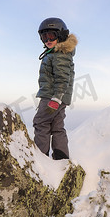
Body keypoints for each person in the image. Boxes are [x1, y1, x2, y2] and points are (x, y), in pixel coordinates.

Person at [33, 17, 78, 160]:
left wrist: (56, 98)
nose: (47, 39)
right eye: (44, 36)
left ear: (61, 35)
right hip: (60, 97)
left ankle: (41, 158)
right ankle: (61, 158)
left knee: (41, 123)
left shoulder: (59, 54)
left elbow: (63, 78)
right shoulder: (58, 53)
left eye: (51, 35)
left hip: (52, 97)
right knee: (57, 127)